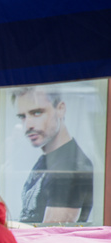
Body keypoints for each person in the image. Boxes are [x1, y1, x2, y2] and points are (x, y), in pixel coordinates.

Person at [12, 86, 93, 223]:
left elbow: (52, 234)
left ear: (60, 109)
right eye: (22, 117)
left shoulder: (69, 166)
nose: (28, 125)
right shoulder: (48, 159)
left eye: (37, 113)